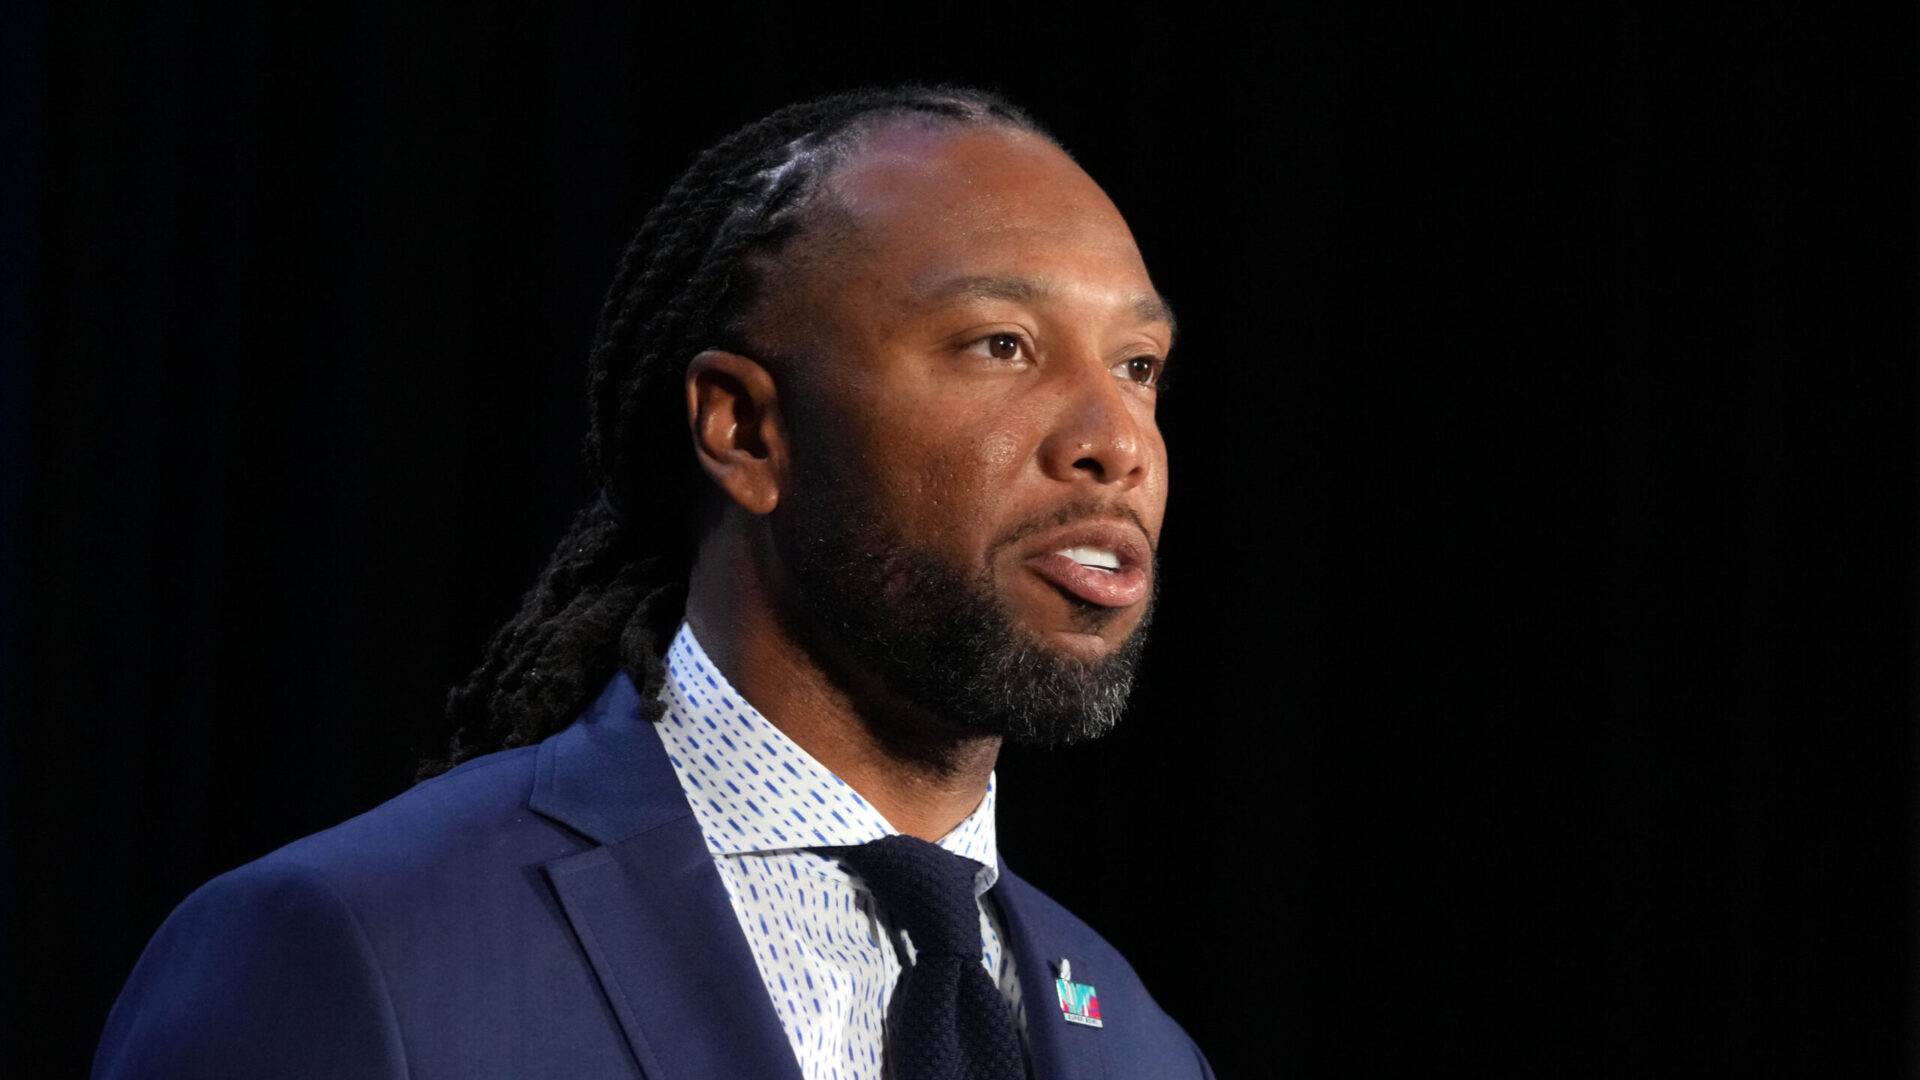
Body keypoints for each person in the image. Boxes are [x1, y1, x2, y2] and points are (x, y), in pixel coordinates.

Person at [94, 85, 1212, 1080]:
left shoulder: (1145, 1045)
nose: (1116, 441)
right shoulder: (354, 945)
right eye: (1001, 344)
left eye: (1138, 367)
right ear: (745, 429)